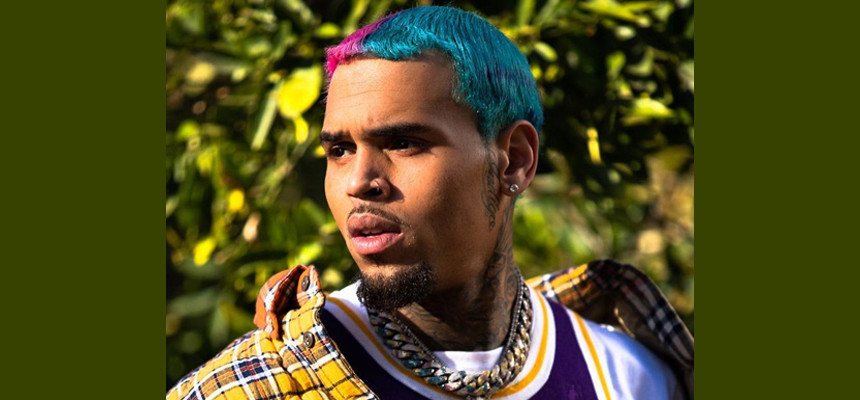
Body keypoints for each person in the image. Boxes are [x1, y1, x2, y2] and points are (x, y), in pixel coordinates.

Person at [167, 6, 693, 400]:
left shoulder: (627, 379)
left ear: (513, 160)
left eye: (403, 143)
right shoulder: (260, 387)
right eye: (339, 150)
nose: (359, 182)